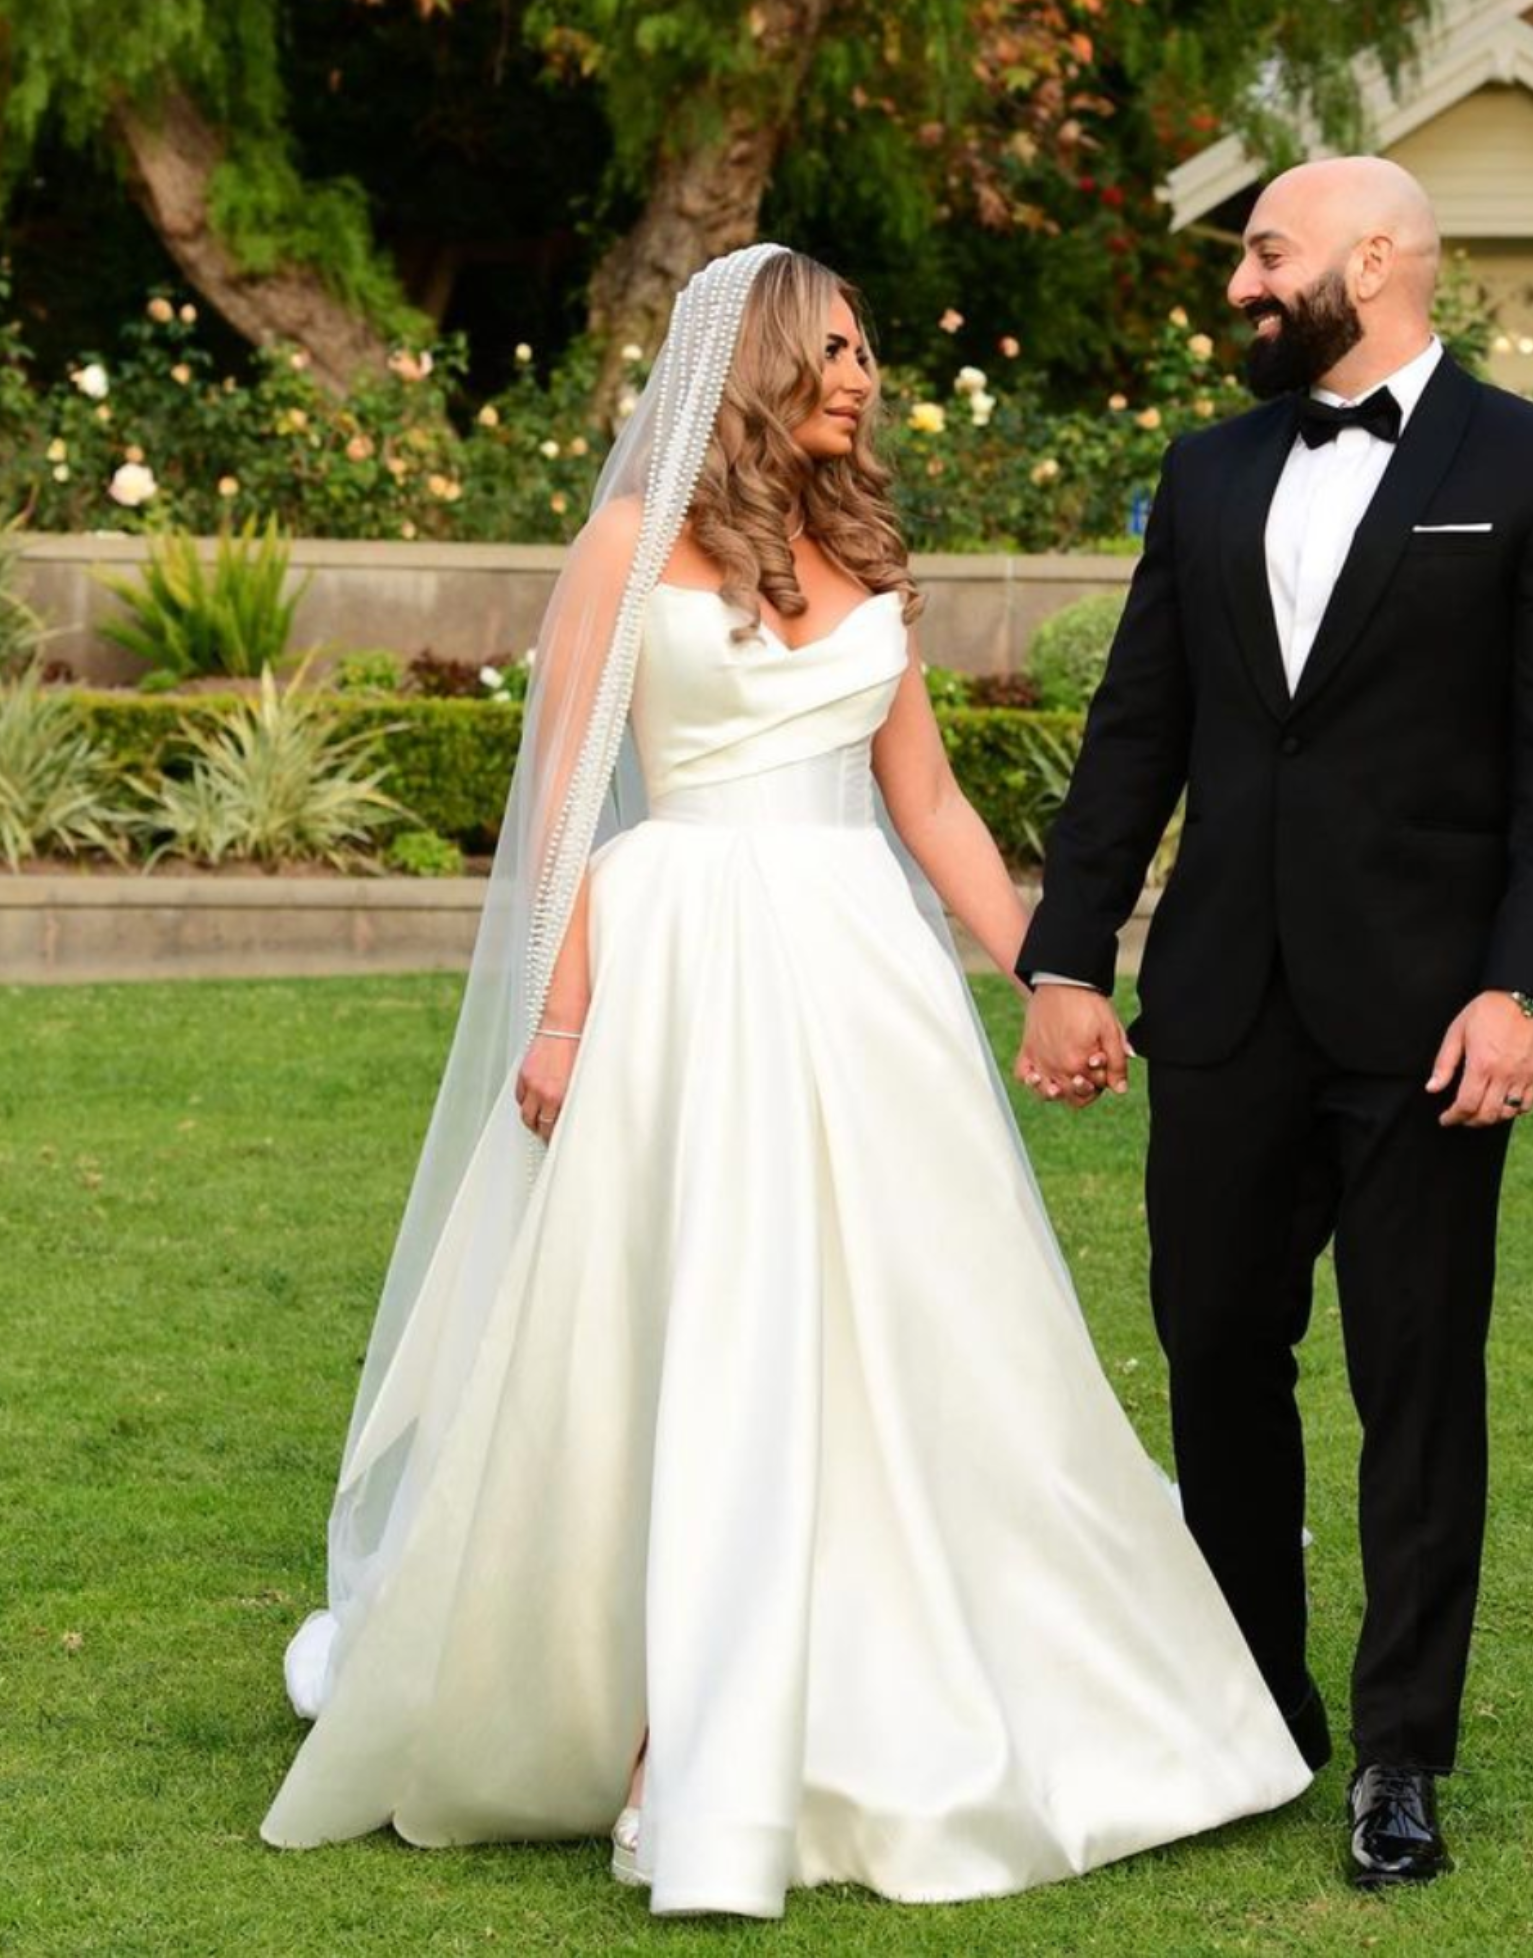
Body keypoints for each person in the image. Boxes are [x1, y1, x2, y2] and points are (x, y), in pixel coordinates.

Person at [261, 243, 1309, 1920]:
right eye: (833, 350)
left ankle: (876, 1691)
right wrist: (556, 1012)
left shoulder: (871, 559)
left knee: (904, 1327)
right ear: (750, 360)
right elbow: (561, 807)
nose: (862, 376)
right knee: (697, 1333)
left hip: (857, 973)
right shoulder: (623, 546)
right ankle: (662, 1728)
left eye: (869, 352)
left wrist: (1048, 973)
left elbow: (937, 810)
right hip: (680, 966)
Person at [1015, 157, 1533, 1891]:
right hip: (1221, 1008)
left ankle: (1399, 1758)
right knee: (1216, 1355)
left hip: (1432, 1019)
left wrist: (1525, 989)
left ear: (1377, 259)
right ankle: (1252, 1711)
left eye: (1266, 255)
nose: (1241, 288)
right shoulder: (1208, 473)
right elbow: (1138, 733)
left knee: (1415, 1384)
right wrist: (1070, 956)